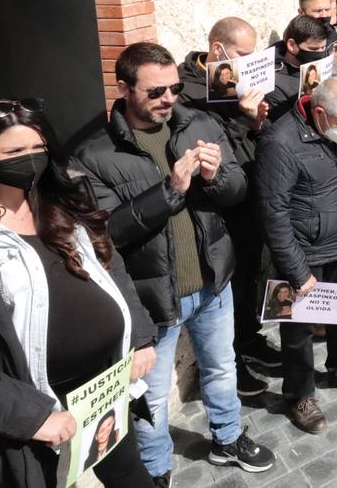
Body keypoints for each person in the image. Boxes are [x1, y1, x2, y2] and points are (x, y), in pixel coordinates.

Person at [0, 98, 158, 488]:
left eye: (39, 148)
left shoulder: (66, 203)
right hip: (24, 428)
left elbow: (112, 268)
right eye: (15, 152)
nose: (31, 160)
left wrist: (139, 336)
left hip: (103, 397)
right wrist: (33, 418)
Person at [72, 43, 273, 482]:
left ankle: (227, 437)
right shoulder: (92, 154)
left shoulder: (199, 121)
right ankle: (157, 467)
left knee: (222, 367)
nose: (168, 99)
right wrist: (171, 189)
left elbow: (237, 190)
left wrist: (215, 176)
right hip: (152, 297)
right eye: (156, 91)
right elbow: (106, 233)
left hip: (212, 281)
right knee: (154, 394)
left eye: (175, 88)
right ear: (124, 88)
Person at [256, 76, 337, 433]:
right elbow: (273, 214)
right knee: (298, 330)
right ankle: (299, 395)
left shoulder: (332, 130)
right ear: (320, 113)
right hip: (302, 254)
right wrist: (298, 273)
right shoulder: (279, 143)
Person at [177, 17, 278, 390]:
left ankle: (250, 338)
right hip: (216, 209)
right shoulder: (186, 91)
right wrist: (239, 120)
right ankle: (230, 364)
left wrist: (255, 124)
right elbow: (213, 153)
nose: (248, 63)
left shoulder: (239, 86)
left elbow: (245, 142)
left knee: (252, 273)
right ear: (217, 51)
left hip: (248, 198)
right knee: (229, 288)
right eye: (242, 55)